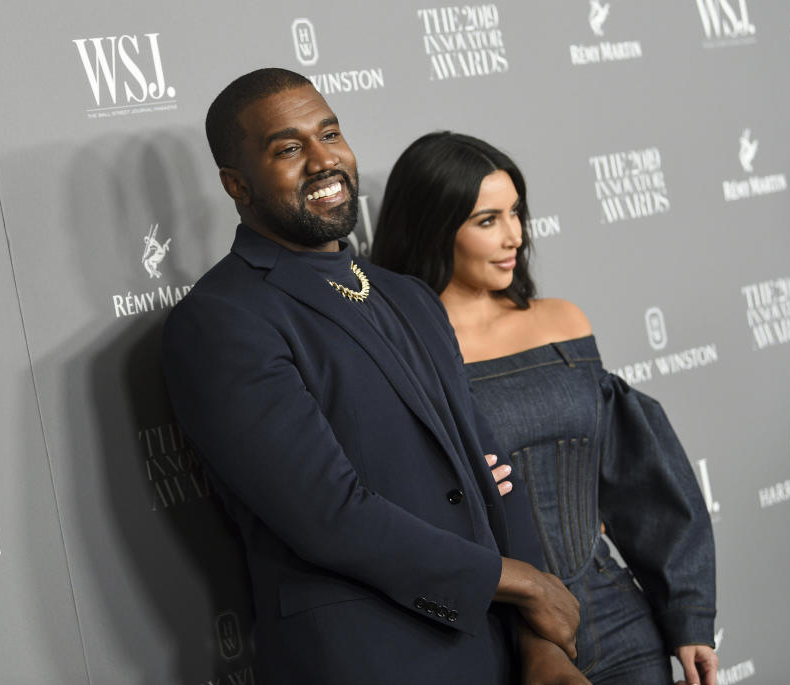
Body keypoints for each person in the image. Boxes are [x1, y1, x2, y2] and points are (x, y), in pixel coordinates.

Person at [163, 69, 587, 685]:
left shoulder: (408, 295)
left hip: (496, 652)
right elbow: (329, 517)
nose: (322, 160)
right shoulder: (224, 318)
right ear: (237, 185)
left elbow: (491, 470)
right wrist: (524, 584)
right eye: (288, 148)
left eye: (329, 133)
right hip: (368, 660)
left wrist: (537, 640)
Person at [371, 131, 719, 685]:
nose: (514, 236)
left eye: (516, 213)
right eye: (487, 220)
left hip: (616, 617)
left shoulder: (562, 322)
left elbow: (641, 479)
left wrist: (689, 614)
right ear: (434, 227)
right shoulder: (400, 352)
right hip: (490, 639)